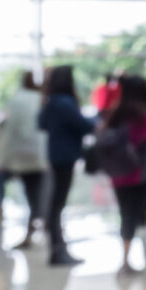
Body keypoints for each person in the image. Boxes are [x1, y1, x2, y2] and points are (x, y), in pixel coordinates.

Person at [96, 73, 146, 276]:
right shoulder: (144, 115)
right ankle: (126, 261)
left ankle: (125, 259)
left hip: (117, 173)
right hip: (138, 173)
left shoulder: (116, 112)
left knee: (124, 213)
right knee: (132, 216)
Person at [34, 66, 90, 267]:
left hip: (55, 155)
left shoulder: (50, 101)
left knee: (56, 203)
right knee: (57, 204)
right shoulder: (65, 102)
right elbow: (83, 125)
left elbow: (40, 124)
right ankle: (58, 250)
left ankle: (58, 248)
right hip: (65, 157)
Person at [0, 69, 47, 249]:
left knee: (32, 195)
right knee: (41, 194)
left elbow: (8, 132)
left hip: (23, 157)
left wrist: (0, 160)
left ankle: (33, 229)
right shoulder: (41, 100)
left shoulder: (17, 101)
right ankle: (40, 227)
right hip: (41, 156)